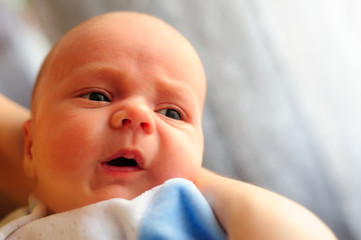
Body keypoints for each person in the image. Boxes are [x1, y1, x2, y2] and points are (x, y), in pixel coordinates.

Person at [0, 11, 337, 239]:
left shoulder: (179, 207)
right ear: (31, 147)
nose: (136, 115)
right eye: (98, 96)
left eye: (172, 113)